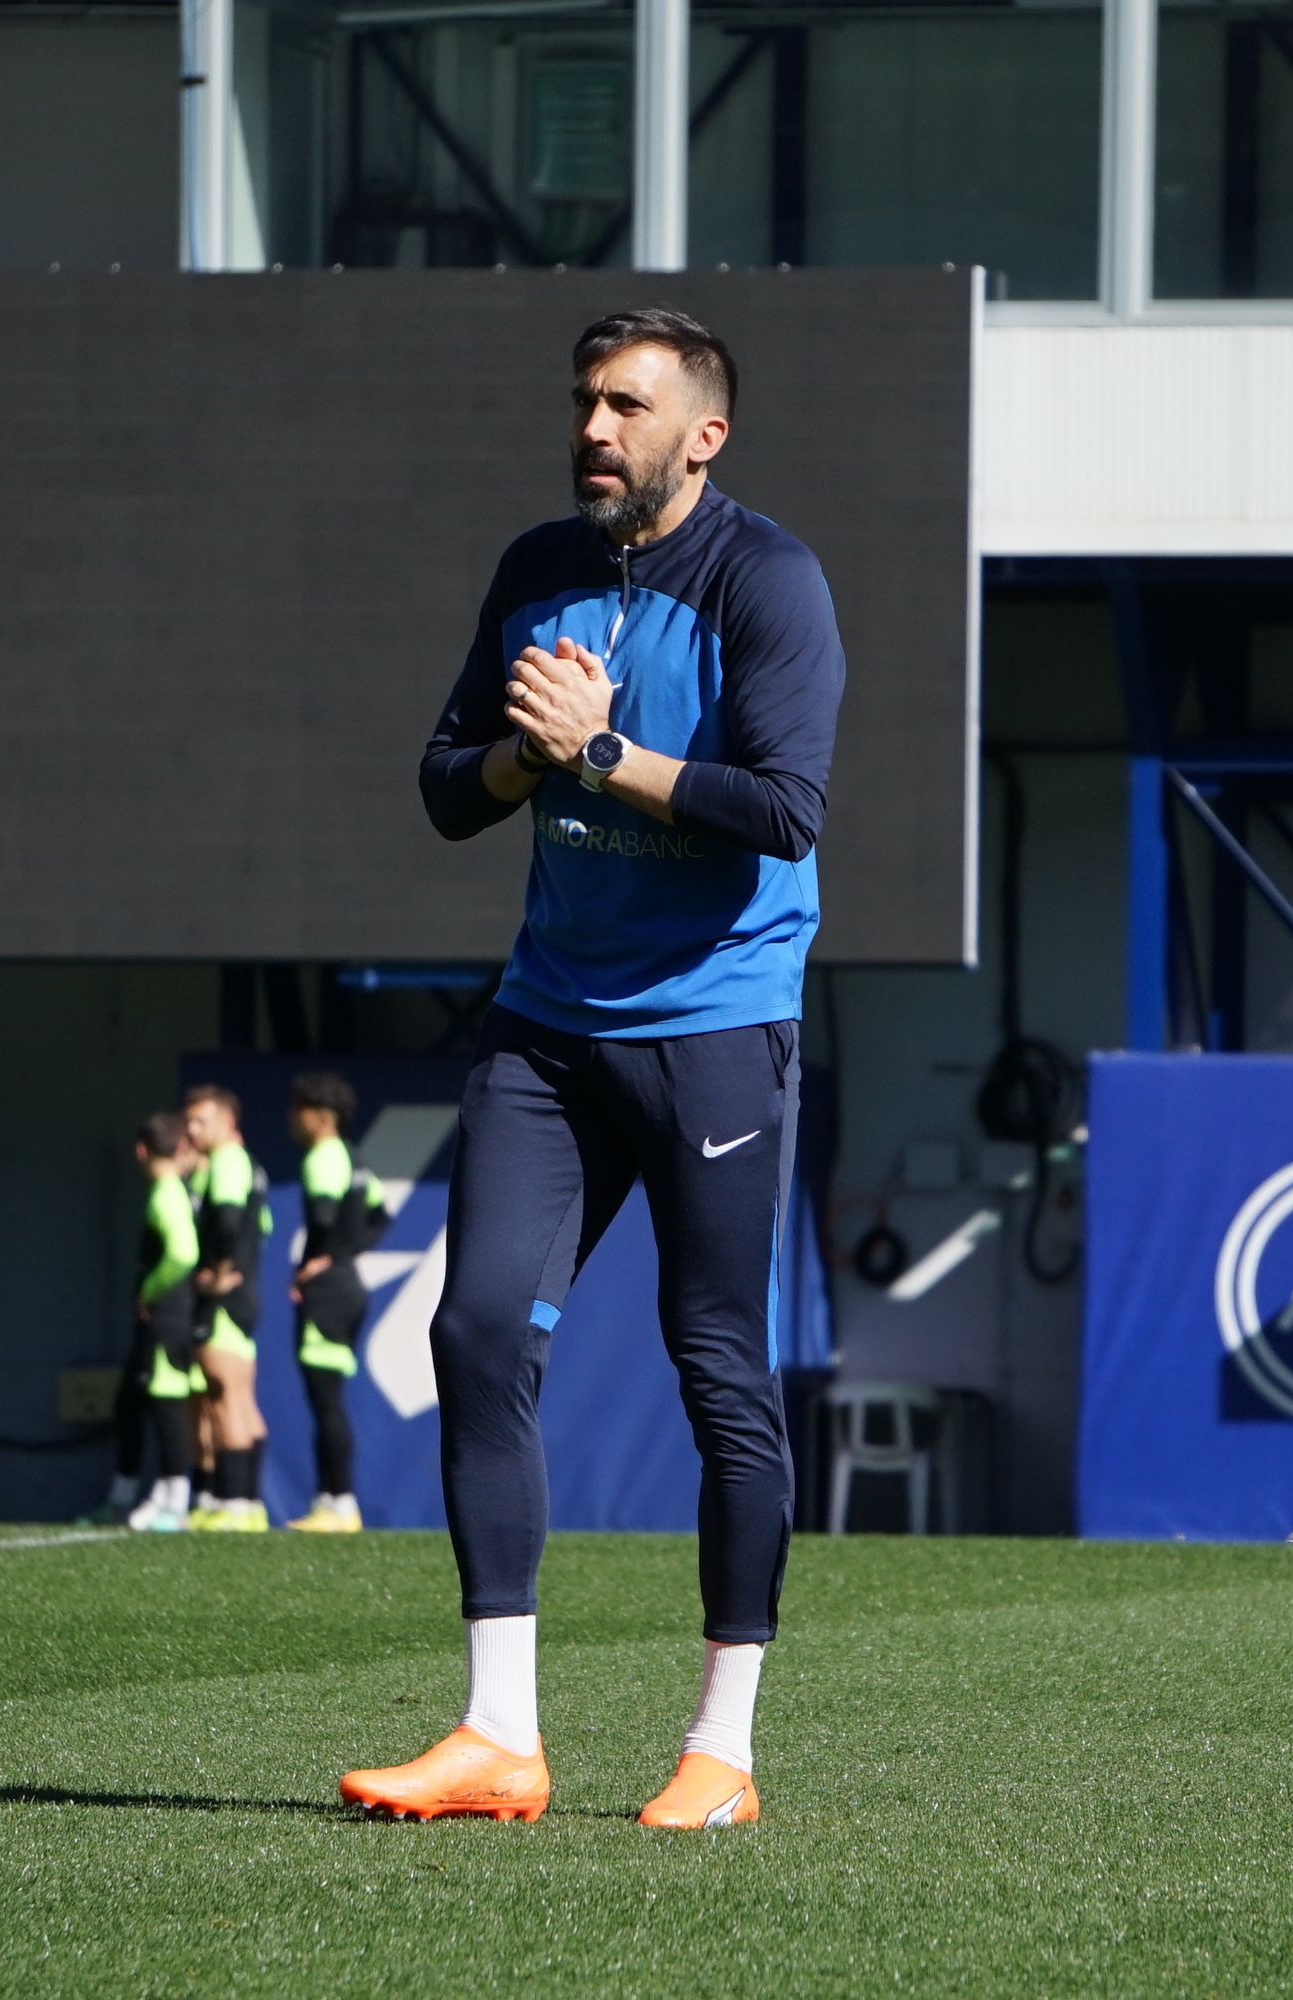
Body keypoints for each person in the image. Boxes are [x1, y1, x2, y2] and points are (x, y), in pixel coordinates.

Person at [341, 308, 841, 1831]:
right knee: (478, 1330)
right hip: (548, 1025)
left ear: (704, 435)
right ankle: (500, 1736)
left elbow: (785, 808)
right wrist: (530, 755)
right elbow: (448, 790)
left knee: (717, 1367)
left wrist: (605, 753)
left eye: (627, 406)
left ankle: (722, 1750)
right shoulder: (533, 570)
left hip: (714, 1030)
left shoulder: (769, 580)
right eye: (584, 401)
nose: (593, 430)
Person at [286, 1072, 389, 1535]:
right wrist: (343, 1255)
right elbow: (380, 1216)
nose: (292, 1118)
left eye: (298, 1109)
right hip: (347, 1285)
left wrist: (316, 1262)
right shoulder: (353, 1155)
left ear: (321, 1116)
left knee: (325, 1400)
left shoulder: (323, 1155)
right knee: (328, 1398)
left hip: (329, 1292)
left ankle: (340, 1503)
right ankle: (330, 1500)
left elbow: (323, 1217)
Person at [183, 1085, 275, 1532]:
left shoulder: (227, 1161)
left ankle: (235, 1504)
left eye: (201, 1120)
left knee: (226, 1399)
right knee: (238, 1397)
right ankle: (247, 1505)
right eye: (189, 1120)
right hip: (244, 1293)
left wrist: (219, 1273)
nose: (192, 1129)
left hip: (226, 1299)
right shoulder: (242, 1164)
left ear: (227, 1122)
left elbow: (228, 1221)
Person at [124, 1112, 205, 1533]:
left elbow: (182, 1253)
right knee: (161, 1404)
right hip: (176, 1313)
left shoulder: (166, 1194)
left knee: (168, 1406)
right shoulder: (173, 1190)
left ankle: (176, 1503)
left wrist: (149, 1290)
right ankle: (169, 1498)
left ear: (142, 1150)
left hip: (168, 1314)